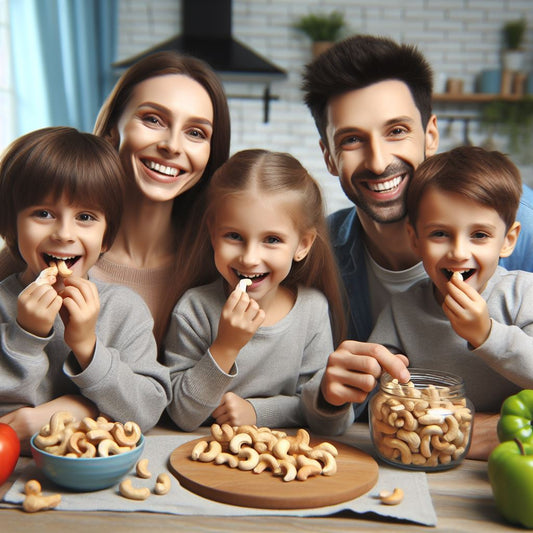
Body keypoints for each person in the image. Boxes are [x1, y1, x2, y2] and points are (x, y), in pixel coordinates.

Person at [299, 34, 533, 459]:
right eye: (351, 139)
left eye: (397, 131)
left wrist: (504, 425)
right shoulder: (316, 255)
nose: (376, 160)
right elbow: (338, 403)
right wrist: (329, 394)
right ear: (329, 157)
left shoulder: (524, 229)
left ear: (430, 134)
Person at [0, 51, 231, 347]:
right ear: (112, 131)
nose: (172, 146)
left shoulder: (221, 263)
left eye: (196, 133)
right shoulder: (41, 254)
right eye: (153, 119)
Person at [0, 127, 171, 450]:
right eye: (43, 213)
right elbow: (7, 424)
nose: (64, 233)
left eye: (85, 216)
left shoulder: (124, 309)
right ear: (10, 224)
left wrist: (87, 346)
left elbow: (147, 410)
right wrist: (25, 337)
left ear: (107, 237)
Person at [163, 149, 346, 431]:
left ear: (303, 245)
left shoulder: (312, 310)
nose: (249, 258)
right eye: (234, 236)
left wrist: (257, 413)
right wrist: (226, 346)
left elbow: (315, 409)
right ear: (213, 234)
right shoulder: (195, 309)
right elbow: (181, 413)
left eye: (271, 240)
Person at [369, 146, 533, 413]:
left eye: (479, 235)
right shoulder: (402, 310)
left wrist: (485, 334)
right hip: (426, 446)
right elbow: (375, 393)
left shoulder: (523, 295)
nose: (458, 253)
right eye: (440, 234)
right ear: (415, 240)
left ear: (508, 241)